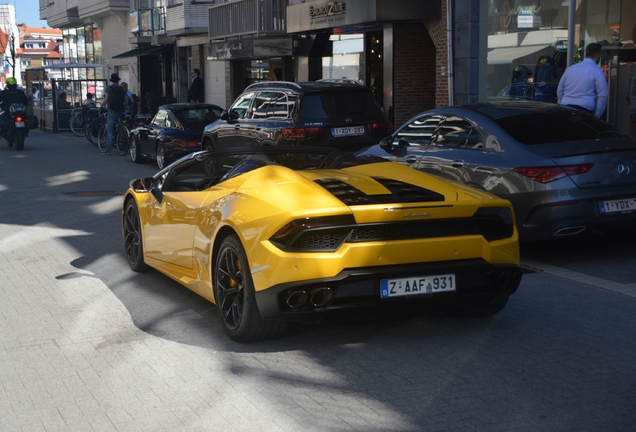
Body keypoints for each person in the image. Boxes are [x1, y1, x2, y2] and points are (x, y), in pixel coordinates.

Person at [556, 43, 609, 118]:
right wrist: (596, 116)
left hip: (566, 108)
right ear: (597, 55)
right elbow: (602, 95)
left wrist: (563, 102)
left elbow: (559, 91)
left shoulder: (570, 69)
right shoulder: (597, 71)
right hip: (585, 110)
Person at [100, 73, 128, 155]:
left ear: (112, 81)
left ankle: (108, 150)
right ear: (118, 80)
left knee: (110, 130)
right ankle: (122, 143)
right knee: (122, 126)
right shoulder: (122, 89)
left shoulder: (109, 89)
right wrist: (123, 106)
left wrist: (100, 107)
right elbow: (126, 101)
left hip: (112, 110)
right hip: (121, 110)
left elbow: (105, 100)